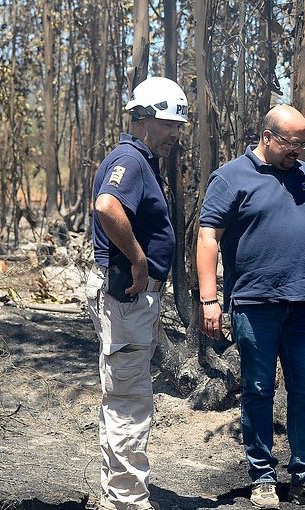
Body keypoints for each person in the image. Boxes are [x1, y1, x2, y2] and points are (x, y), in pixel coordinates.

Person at [196, 104, 305, 510]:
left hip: (302, 305)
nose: (297, 151)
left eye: (303, 143)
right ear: (268, 136)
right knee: (259, 391)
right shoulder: (230, 178)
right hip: (254, 304)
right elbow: (208, 236)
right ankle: (262, 477)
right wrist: (209, 298)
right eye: (291, 143)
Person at [85, 76, 187, 510]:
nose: (175, 134)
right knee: (130, 399)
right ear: (143, 119)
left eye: (179, 125)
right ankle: (127, 500)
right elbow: (108, 206)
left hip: (127, 299)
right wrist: (140, 259)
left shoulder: (140, 158)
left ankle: (118, 494)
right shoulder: (130, 158)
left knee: (122, 395)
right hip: (125, 295)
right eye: (168, 124)